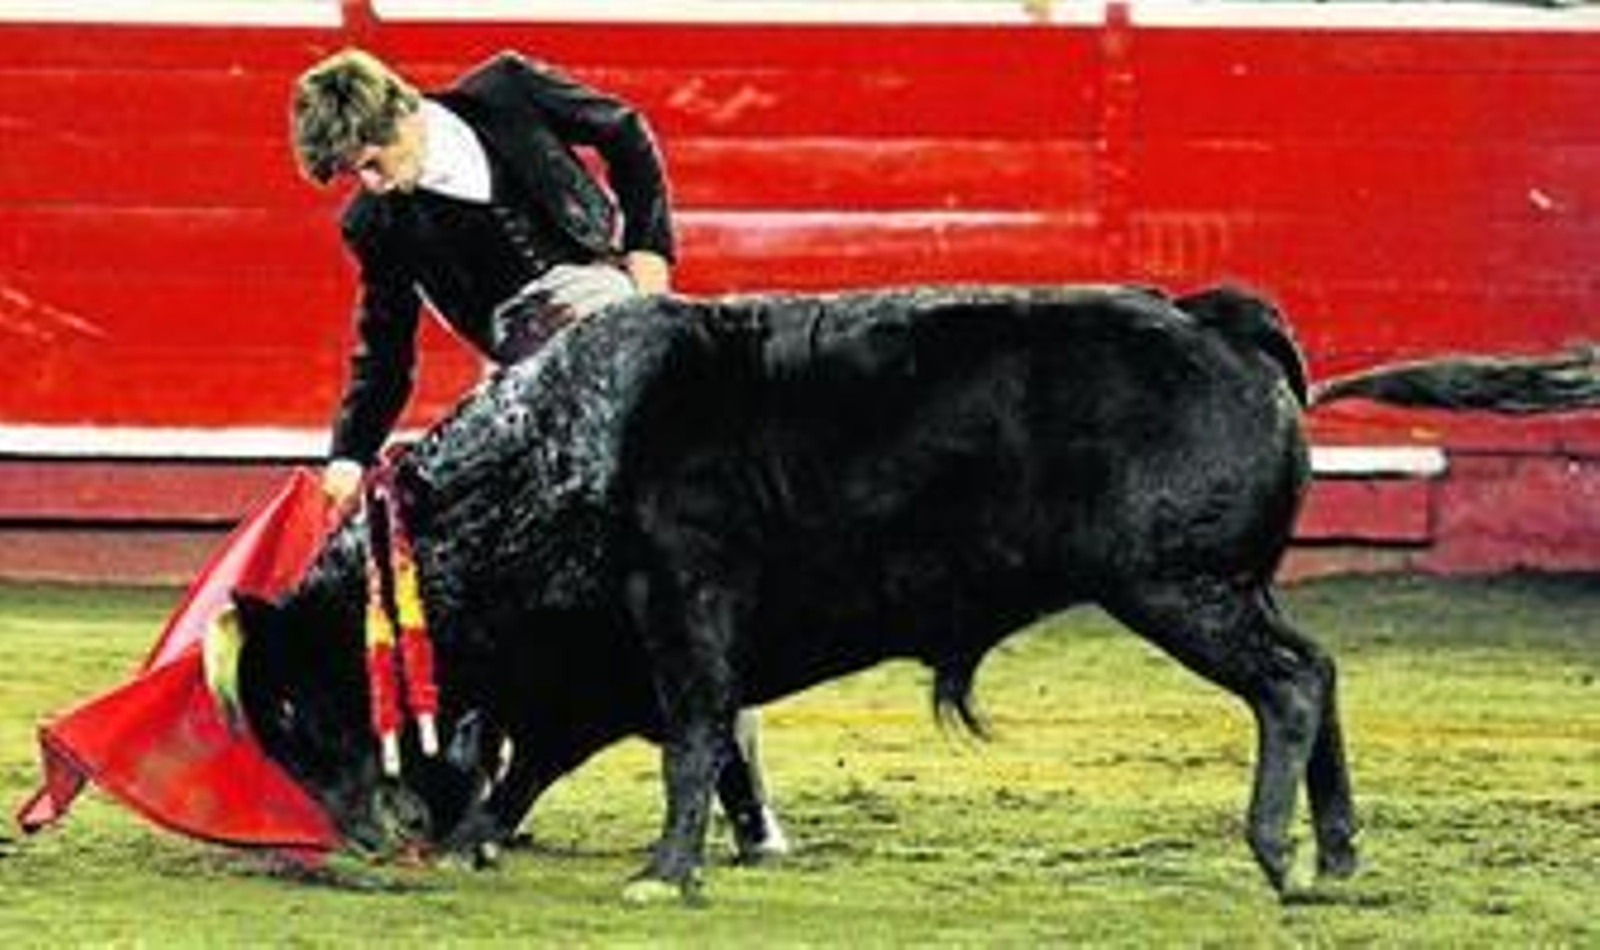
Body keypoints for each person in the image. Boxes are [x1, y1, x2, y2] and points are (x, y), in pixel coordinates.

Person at [289, 48, 787, 858]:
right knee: (498, 590)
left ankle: (748, 808)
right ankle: (479, 801)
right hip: (528, 394)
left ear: (403, 113)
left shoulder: (507, 90)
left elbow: (626, 133)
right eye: (355, 175)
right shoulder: (375, 222)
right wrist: (348, 454)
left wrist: (651, 256)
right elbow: (386, 351)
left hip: (625, 345)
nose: (371, 184)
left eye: (373, 163)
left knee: (683, 576)